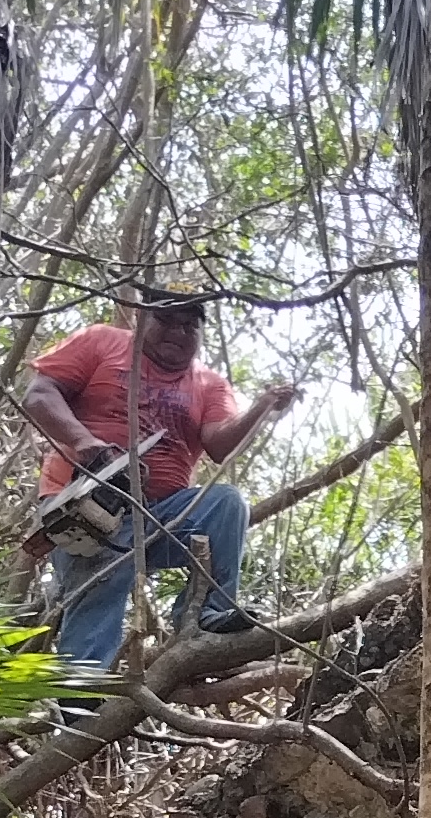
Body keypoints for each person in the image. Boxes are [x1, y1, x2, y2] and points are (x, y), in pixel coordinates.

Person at [17, 288, 300, 672]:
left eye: (189, 325)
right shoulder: (103, 343)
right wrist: (88, 446)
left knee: (226, 504)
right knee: (103, 578)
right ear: (142, 318)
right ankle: (80, 695)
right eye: (166, 320)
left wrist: (261, 407)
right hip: (88, 505)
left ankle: (206, 615)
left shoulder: (209, 384)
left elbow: (219, 445)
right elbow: (39, 394)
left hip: (161, 517)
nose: (178, 332)